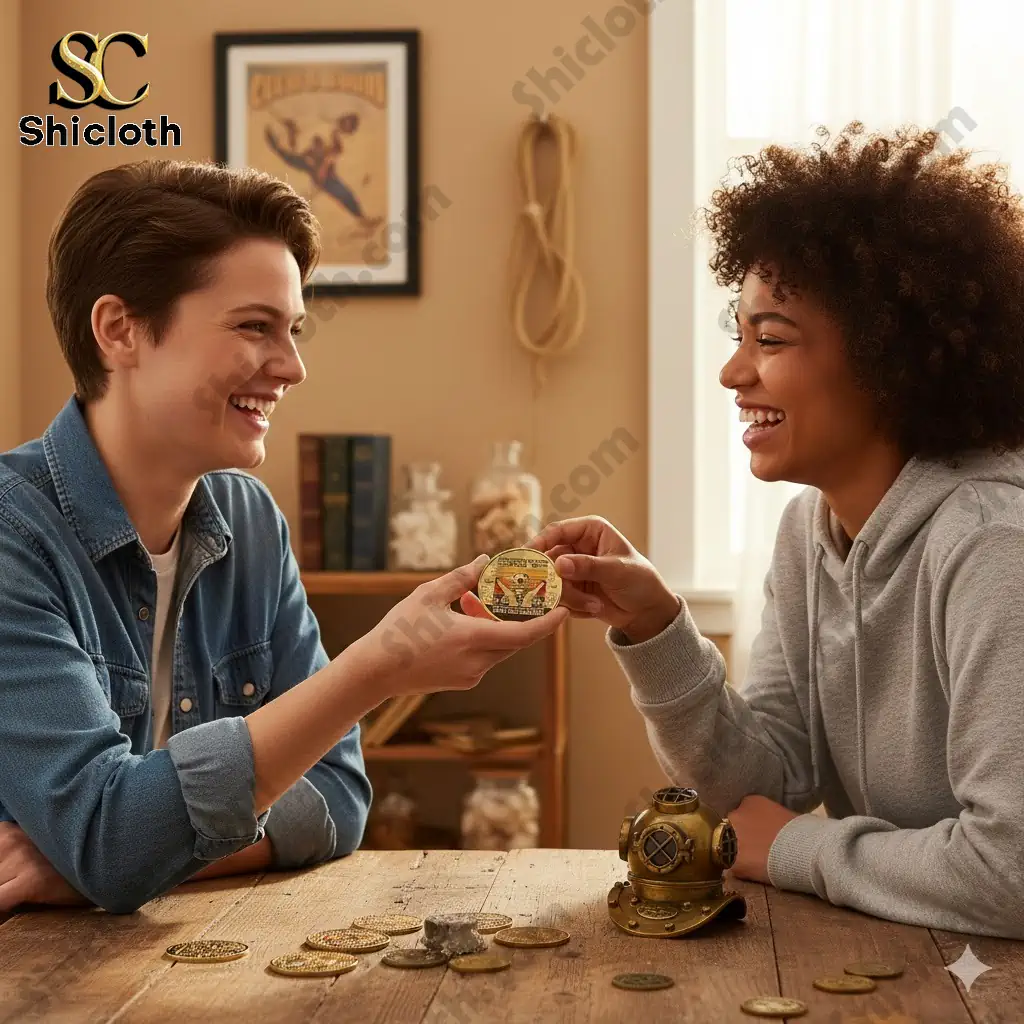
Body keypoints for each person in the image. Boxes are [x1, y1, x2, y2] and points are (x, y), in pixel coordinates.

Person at [0, 159, 567, 915]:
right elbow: (111, 839)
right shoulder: (14, 536)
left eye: (293, 330)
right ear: (120, 330)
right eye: (253, 327)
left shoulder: (249, 522)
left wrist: (101, 865)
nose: (294, 366)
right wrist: (379, 665)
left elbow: (338, 795)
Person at [526, 124, 1024, 939]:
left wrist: (800, 848)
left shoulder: (996, 546)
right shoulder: (811, 531)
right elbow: (767, 783)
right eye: (739, 334)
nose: (734, 371)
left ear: (887, 361)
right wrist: (655, 626)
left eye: (771, 339)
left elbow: (1011, 873)